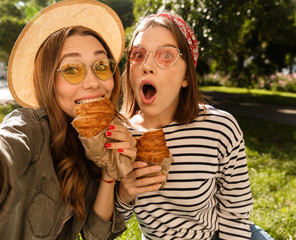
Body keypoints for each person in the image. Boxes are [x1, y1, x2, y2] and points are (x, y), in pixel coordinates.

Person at [0, 0, 136, 239]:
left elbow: (97, 236)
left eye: (101, 65)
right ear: (48, 81)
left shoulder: (94, 144)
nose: (93, 82)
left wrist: (109, 172)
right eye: (72, 69)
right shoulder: (32, 129)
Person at [115, 12, 274, 240]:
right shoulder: (122, 135)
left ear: (186, 77)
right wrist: (124, 192)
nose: (147, 66)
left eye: (166, 55)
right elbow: (112, 223)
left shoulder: (220, 128)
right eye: (138, 55)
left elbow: (235, 213)